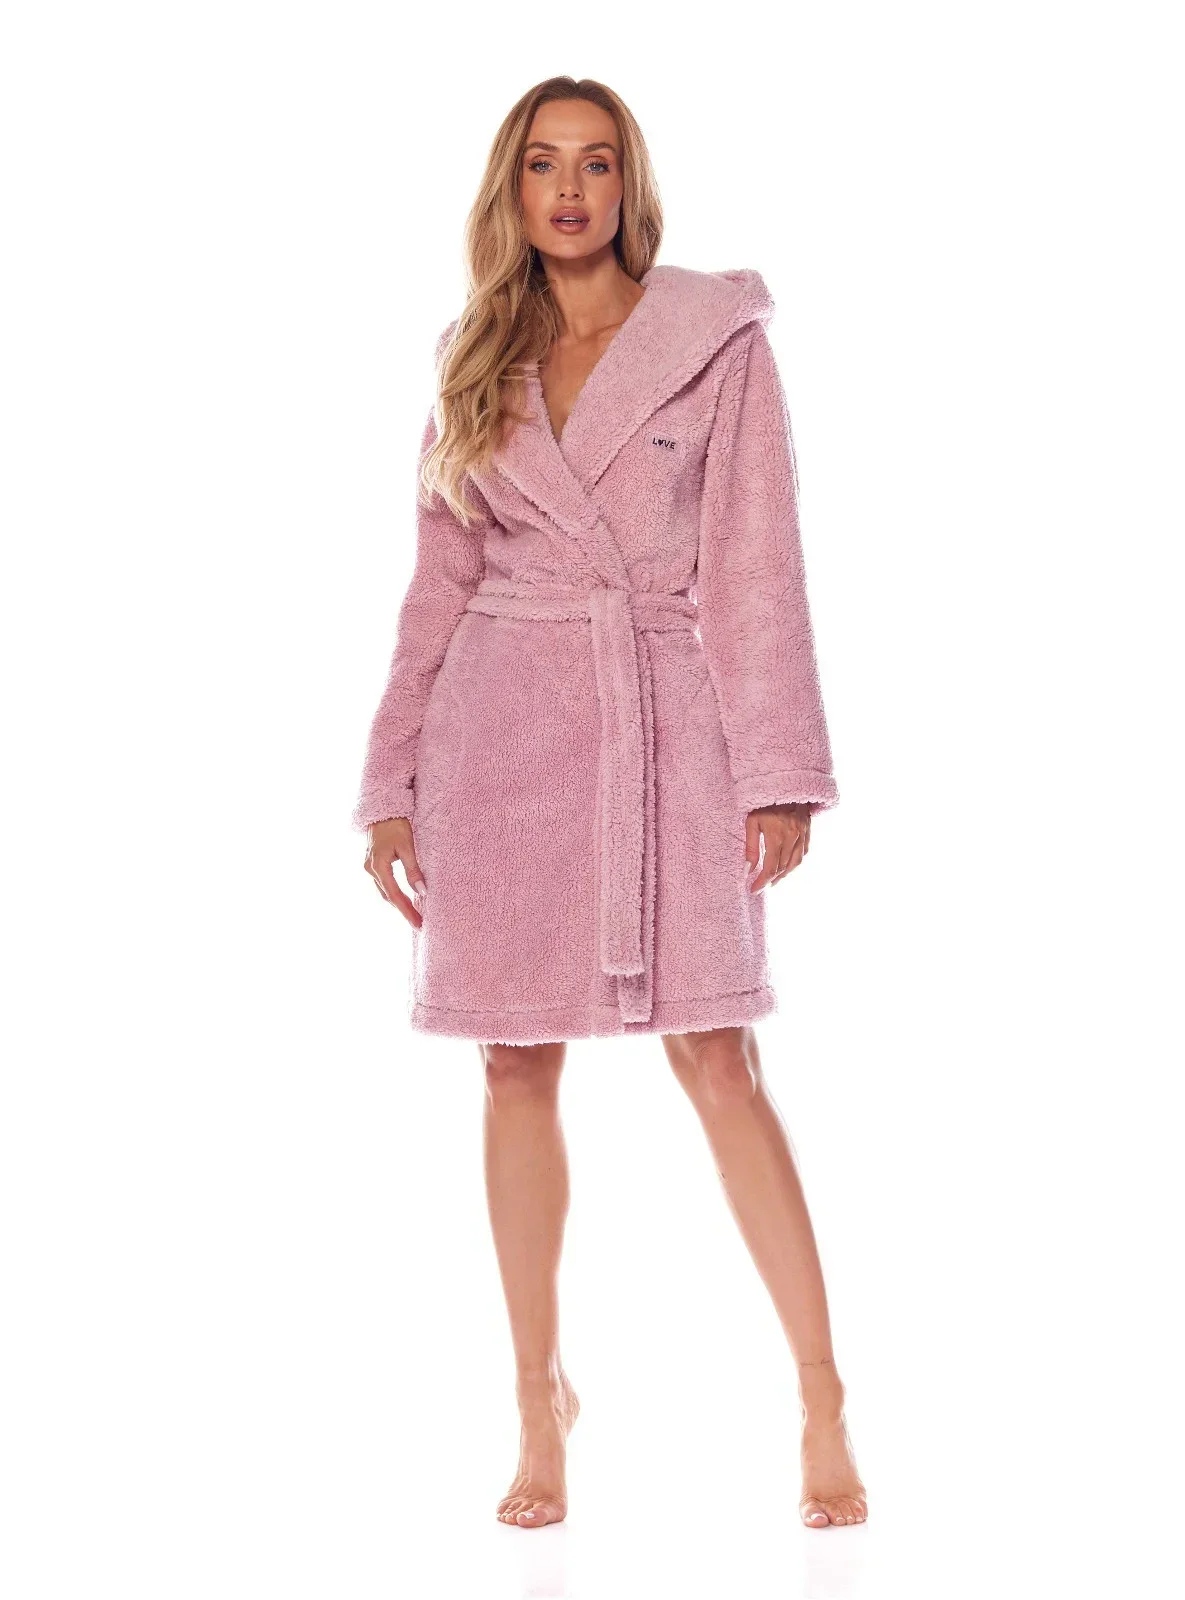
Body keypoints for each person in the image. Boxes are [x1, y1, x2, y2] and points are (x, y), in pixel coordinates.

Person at [352, 76, 866, 1531]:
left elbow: (757, 563)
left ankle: (822, 1391)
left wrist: (777, 774)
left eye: (593, 163)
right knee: (512, 1068)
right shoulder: (475, 354)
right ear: (510, 190)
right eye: (541, 165)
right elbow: (437, 585)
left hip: (663, 725)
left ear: (630, 183)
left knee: (719, 1057)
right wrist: (392, 778)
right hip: (497, 737)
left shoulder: (716, 345)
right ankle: (539, 1401)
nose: (568, 191)